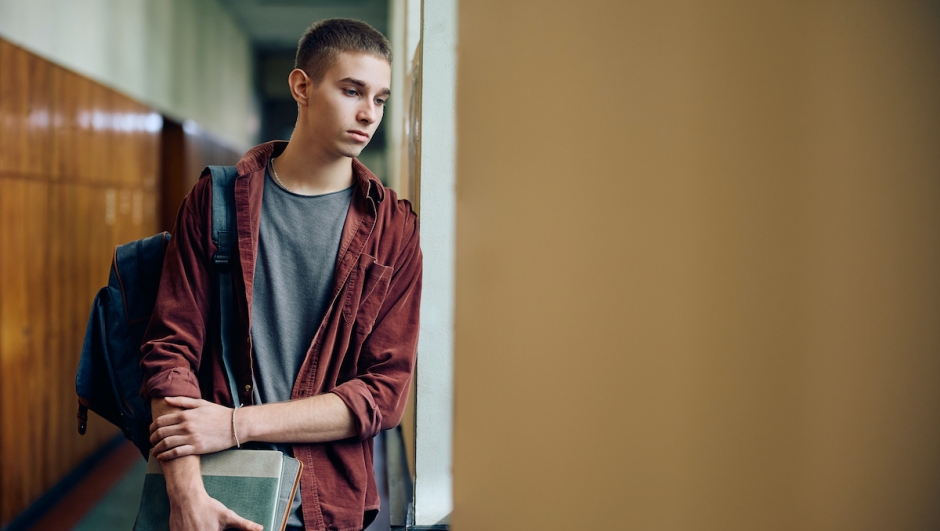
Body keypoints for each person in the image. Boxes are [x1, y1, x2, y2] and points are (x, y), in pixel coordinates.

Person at [140, 18, 421, 531]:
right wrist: (186, 498)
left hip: (328, 507)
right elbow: (169, 352)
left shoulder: (393, 229)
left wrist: (234, 424)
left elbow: (384, 393)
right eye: (352, 90)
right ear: (302, 87)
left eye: (380, 99)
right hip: (215, 495)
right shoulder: (218, 202)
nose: (368, 114)